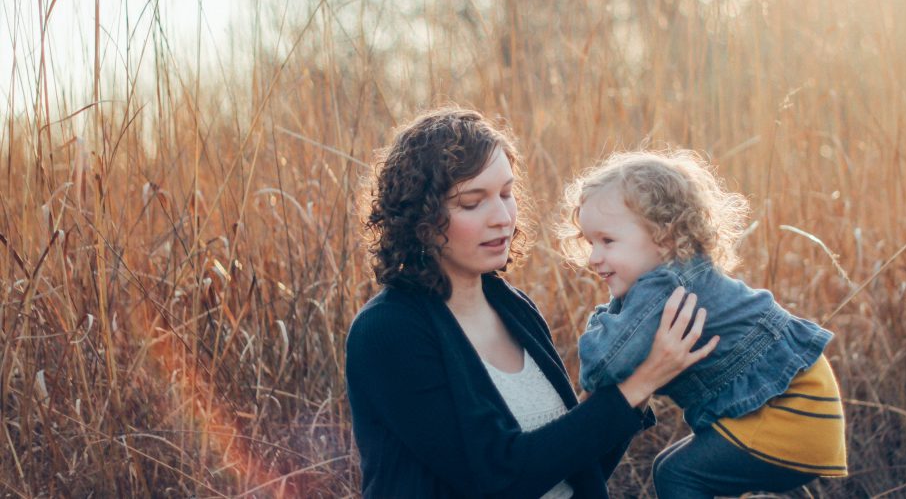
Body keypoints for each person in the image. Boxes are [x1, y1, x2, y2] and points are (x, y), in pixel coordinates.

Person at [345, 108, 719, 499]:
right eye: (473, 202)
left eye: (507, 194)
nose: (502, 217)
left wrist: (640, 376)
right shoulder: (388, 330)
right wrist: (641, 381)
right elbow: (497, 476)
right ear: (419, 217)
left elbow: (574, 469)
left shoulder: (514, 307)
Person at [560, 149, 848, 499]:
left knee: (678, 475)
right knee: (673, 461)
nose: (593, 257)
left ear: (663, 237)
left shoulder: (662, 288)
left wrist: (607, 316)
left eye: (607, 241)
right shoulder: (684, 274)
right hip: (804, 407)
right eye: (589, 242)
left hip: (789, 414)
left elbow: (602, 366)